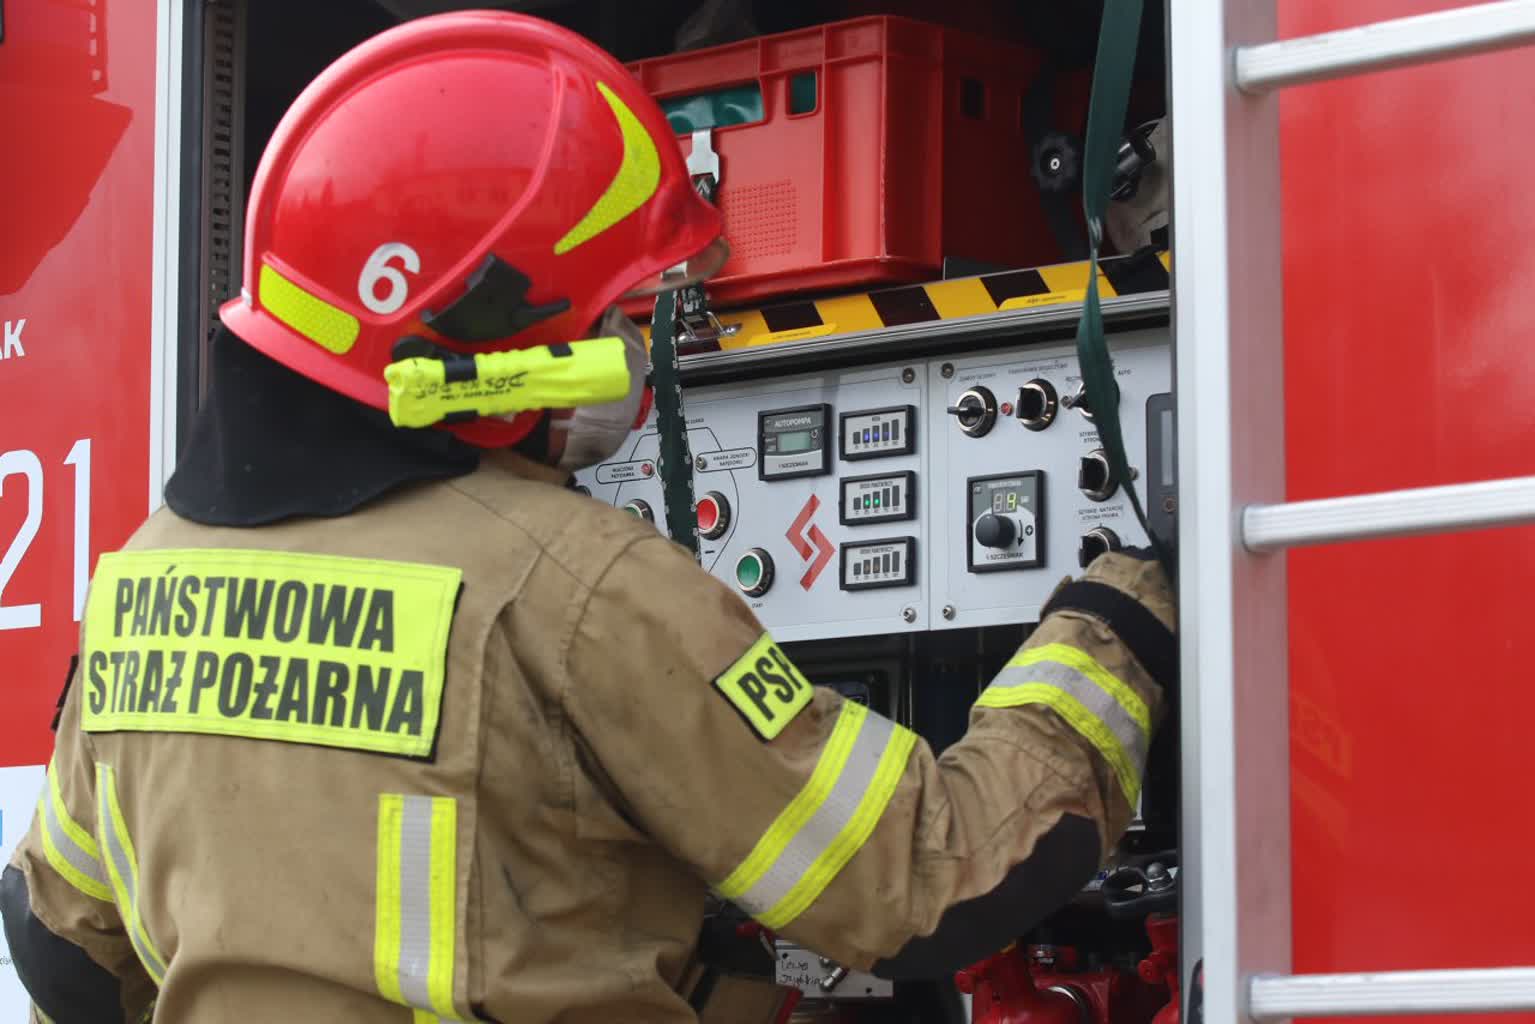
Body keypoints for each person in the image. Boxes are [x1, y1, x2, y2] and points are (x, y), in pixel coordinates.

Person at [0, 11, 1177, 1023]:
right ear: (479, 342)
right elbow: (930, 877)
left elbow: (64, 955)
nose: (628, 348)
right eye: (609, 314)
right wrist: (1117, 618)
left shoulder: (143, 581)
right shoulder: (581, 588)